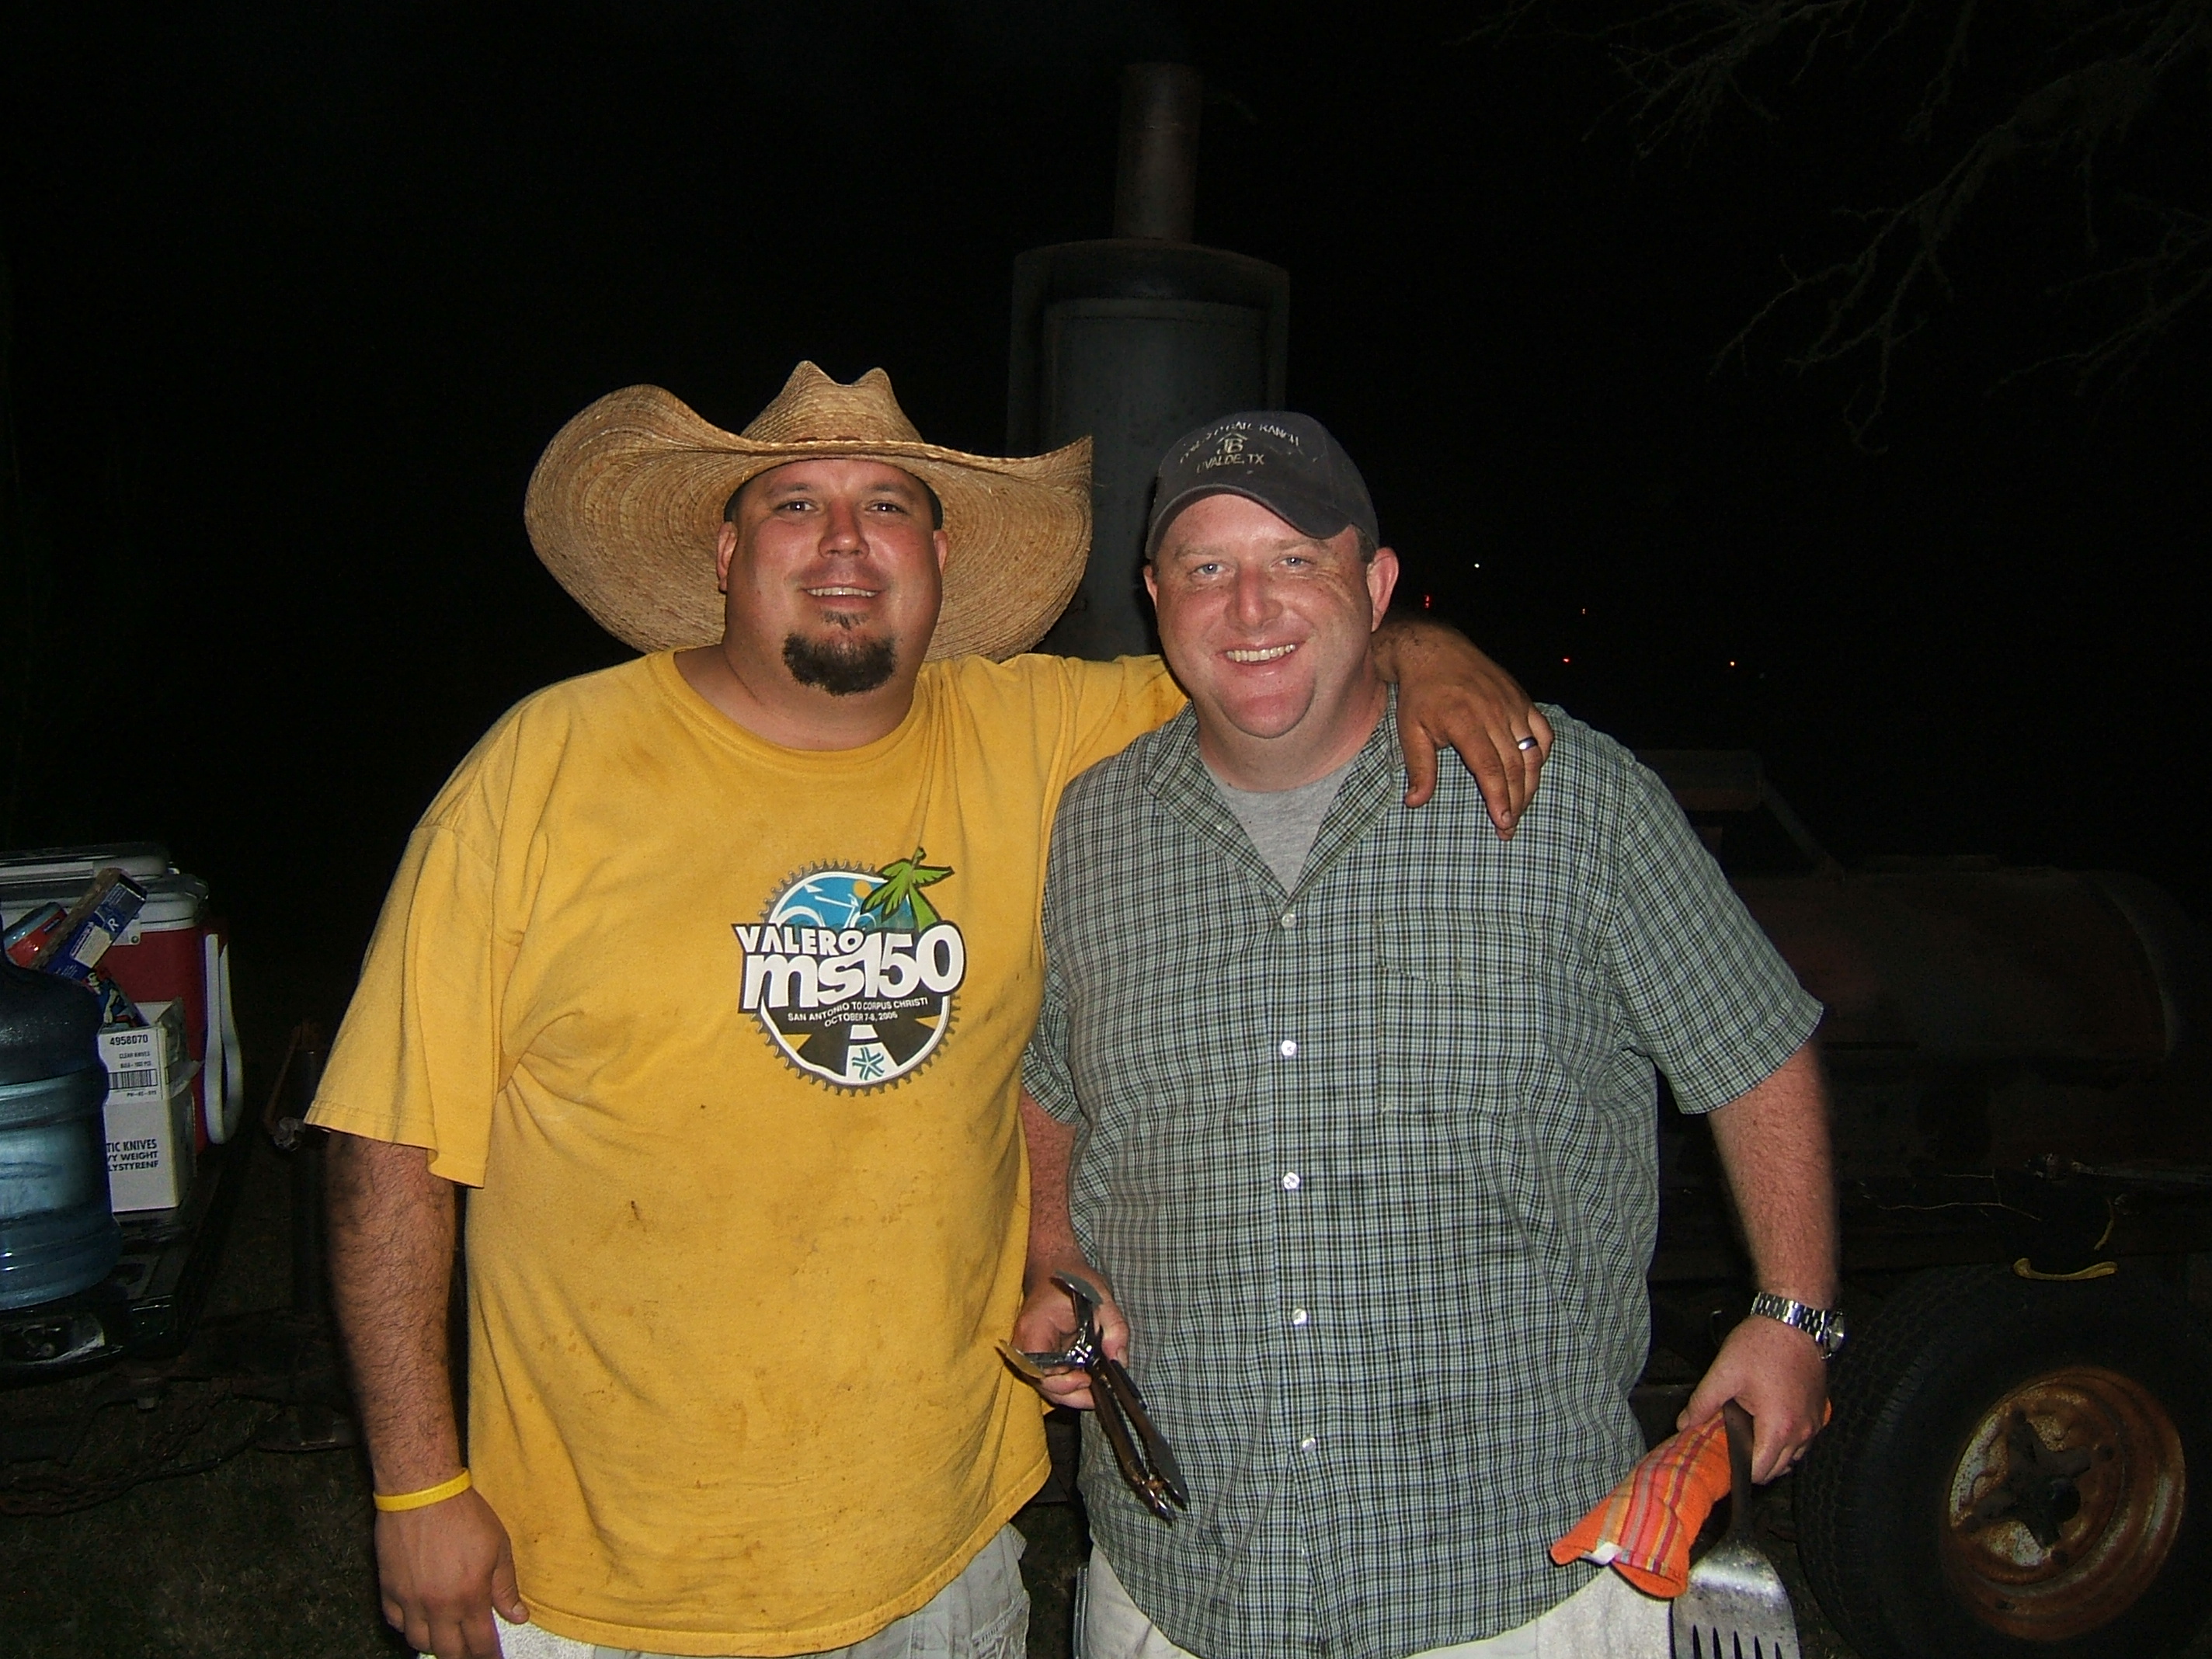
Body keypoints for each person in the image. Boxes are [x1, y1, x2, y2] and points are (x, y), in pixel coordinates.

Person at [310, 363, 1553, 1659]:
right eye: (797, 504)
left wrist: (1419, 644)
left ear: (940, 559)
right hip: (598, 1580)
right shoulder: (545, 768)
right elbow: (386, 1138)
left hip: (940, 1560)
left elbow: (1265, 657)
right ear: (727, 554)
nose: (846, 543)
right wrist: (417, 1488)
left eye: (889, 507)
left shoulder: (1034, 734)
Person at [1017, 411, 1839, 1659]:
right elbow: (1054, 1084)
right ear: (1154, 596)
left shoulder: (1570, 798)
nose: (1250, 605)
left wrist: (1797, 1314)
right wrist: (1055, 1253)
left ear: (1377, 585)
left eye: (1296, 559)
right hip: (1178, 1585)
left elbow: (1754, 1044)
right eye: (1207, 566)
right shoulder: (1094, 829)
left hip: (1520, 1578)